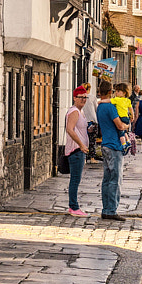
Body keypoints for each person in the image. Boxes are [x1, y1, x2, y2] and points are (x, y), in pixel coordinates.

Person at [96, 79, 130, 219]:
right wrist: (127, 126)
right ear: (110, 92)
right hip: (114, 146)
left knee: (107, 178)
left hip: (105, 144)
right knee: (115, 179)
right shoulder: (110, 108)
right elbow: (120, 126)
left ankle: (106, 208)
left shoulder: (100, 107)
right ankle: (111, 210)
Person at [62, 86, 90, 215]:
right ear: (75, 98)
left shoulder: (80, 111)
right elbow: (70, 129)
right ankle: (74, 207)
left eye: (85, 97)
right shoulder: (74, 111)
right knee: (75, 180)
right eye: (81, 97)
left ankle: (73, 206)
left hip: (79, 150)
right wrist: (81, 145)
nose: (83, 100)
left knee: (76, 179)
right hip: (76, 150)